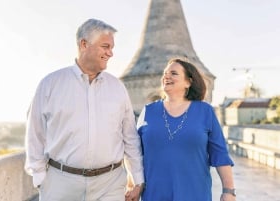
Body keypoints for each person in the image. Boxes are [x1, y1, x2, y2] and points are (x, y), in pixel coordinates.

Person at [25, 18, 144, 201]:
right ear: (84, 44)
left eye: (112, 47)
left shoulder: (117, 88)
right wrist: (41, 179)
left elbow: (129, 137)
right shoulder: (50, 84)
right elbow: (35, 134)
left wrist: (137, 179)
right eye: (105, 46)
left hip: (110, 186)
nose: (110, 53)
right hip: (60, 186)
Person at [137, 58, 236, 201]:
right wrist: (133, 184)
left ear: (188, 82)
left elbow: (220, 154)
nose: (166, 76)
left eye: (174, 73)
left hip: (195, 194)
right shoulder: (148, 111)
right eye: (165, 73)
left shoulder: (205, 111)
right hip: (154, 194)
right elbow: (134, 152)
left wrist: (229, 191)